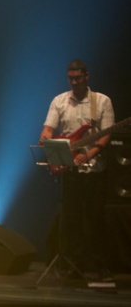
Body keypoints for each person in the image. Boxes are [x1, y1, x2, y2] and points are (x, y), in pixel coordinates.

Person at [39, 59, 114, 282]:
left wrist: (88, 154)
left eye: (77, 78)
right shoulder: (60, 101)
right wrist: (46, 140)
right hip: (70, 168)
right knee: (71, 219)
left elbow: (106, 134)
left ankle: (100, 265)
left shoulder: (101, 101)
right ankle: (75, 265)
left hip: (94, 169)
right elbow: (48, 129)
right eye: (70, 78)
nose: (73, 81)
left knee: (95, 218)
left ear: (86, 77)